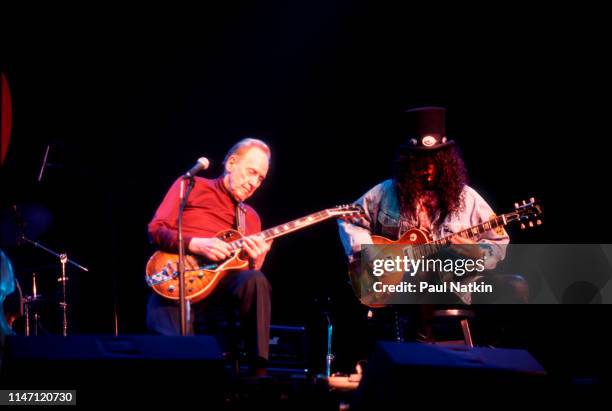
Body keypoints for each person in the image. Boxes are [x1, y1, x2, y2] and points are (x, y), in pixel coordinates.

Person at [338, 107, 528, 340]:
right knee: (421, 271)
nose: (427, 170)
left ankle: (499, 361)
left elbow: (498, 241)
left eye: (434, 162)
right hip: (400, 287)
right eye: (419, 162)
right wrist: (367, 253)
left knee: (517, 286)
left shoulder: (468, 198)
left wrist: (477, 252)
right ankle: (421, 354)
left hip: (456, 286)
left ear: (446, 163)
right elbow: (349, 218)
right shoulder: (386, 192)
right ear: (408, 163)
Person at [146, 138, 273, 375]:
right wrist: (196, 244)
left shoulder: (251, 218)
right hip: (177, 283)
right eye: (251, 172)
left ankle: (259, 371)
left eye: (260, 178)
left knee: (256, 279)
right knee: (174, 360)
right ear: (232, 163)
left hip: (219, 296)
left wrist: (257, 259)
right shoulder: (191, 186)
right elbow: (155, 229)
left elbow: (245, 277)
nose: (254, 182)